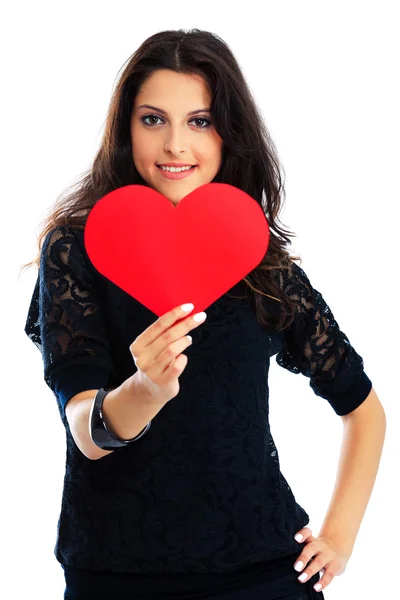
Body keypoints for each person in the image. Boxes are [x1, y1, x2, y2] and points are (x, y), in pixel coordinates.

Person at [22, 28, 385, 600]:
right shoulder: (76, 249)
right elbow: (86, 431)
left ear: (228, 134)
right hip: (115, 576)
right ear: (125, 130)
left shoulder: (260, 261)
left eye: (199, 121)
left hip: (266, 572)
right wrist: (146, 386)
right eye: (152, 119)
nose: (175, 146)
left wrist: (339, 537)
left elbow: (363, 409)